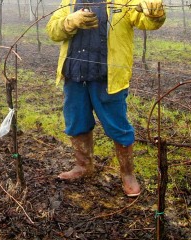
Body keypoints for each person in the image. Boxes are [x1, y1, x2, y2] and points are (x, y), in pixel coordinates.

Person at [46, 0, 166, 196]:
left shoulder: (124, 1)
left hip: (108, 76)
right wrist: (70, 21)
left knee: (117, 125)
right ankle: (83, 166)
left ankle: (127, 174)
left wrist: (155, 12)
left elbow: (147, 22)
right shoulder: (69, 1)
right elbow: (52, 31)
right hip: (75, 74)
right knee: (76, 121)